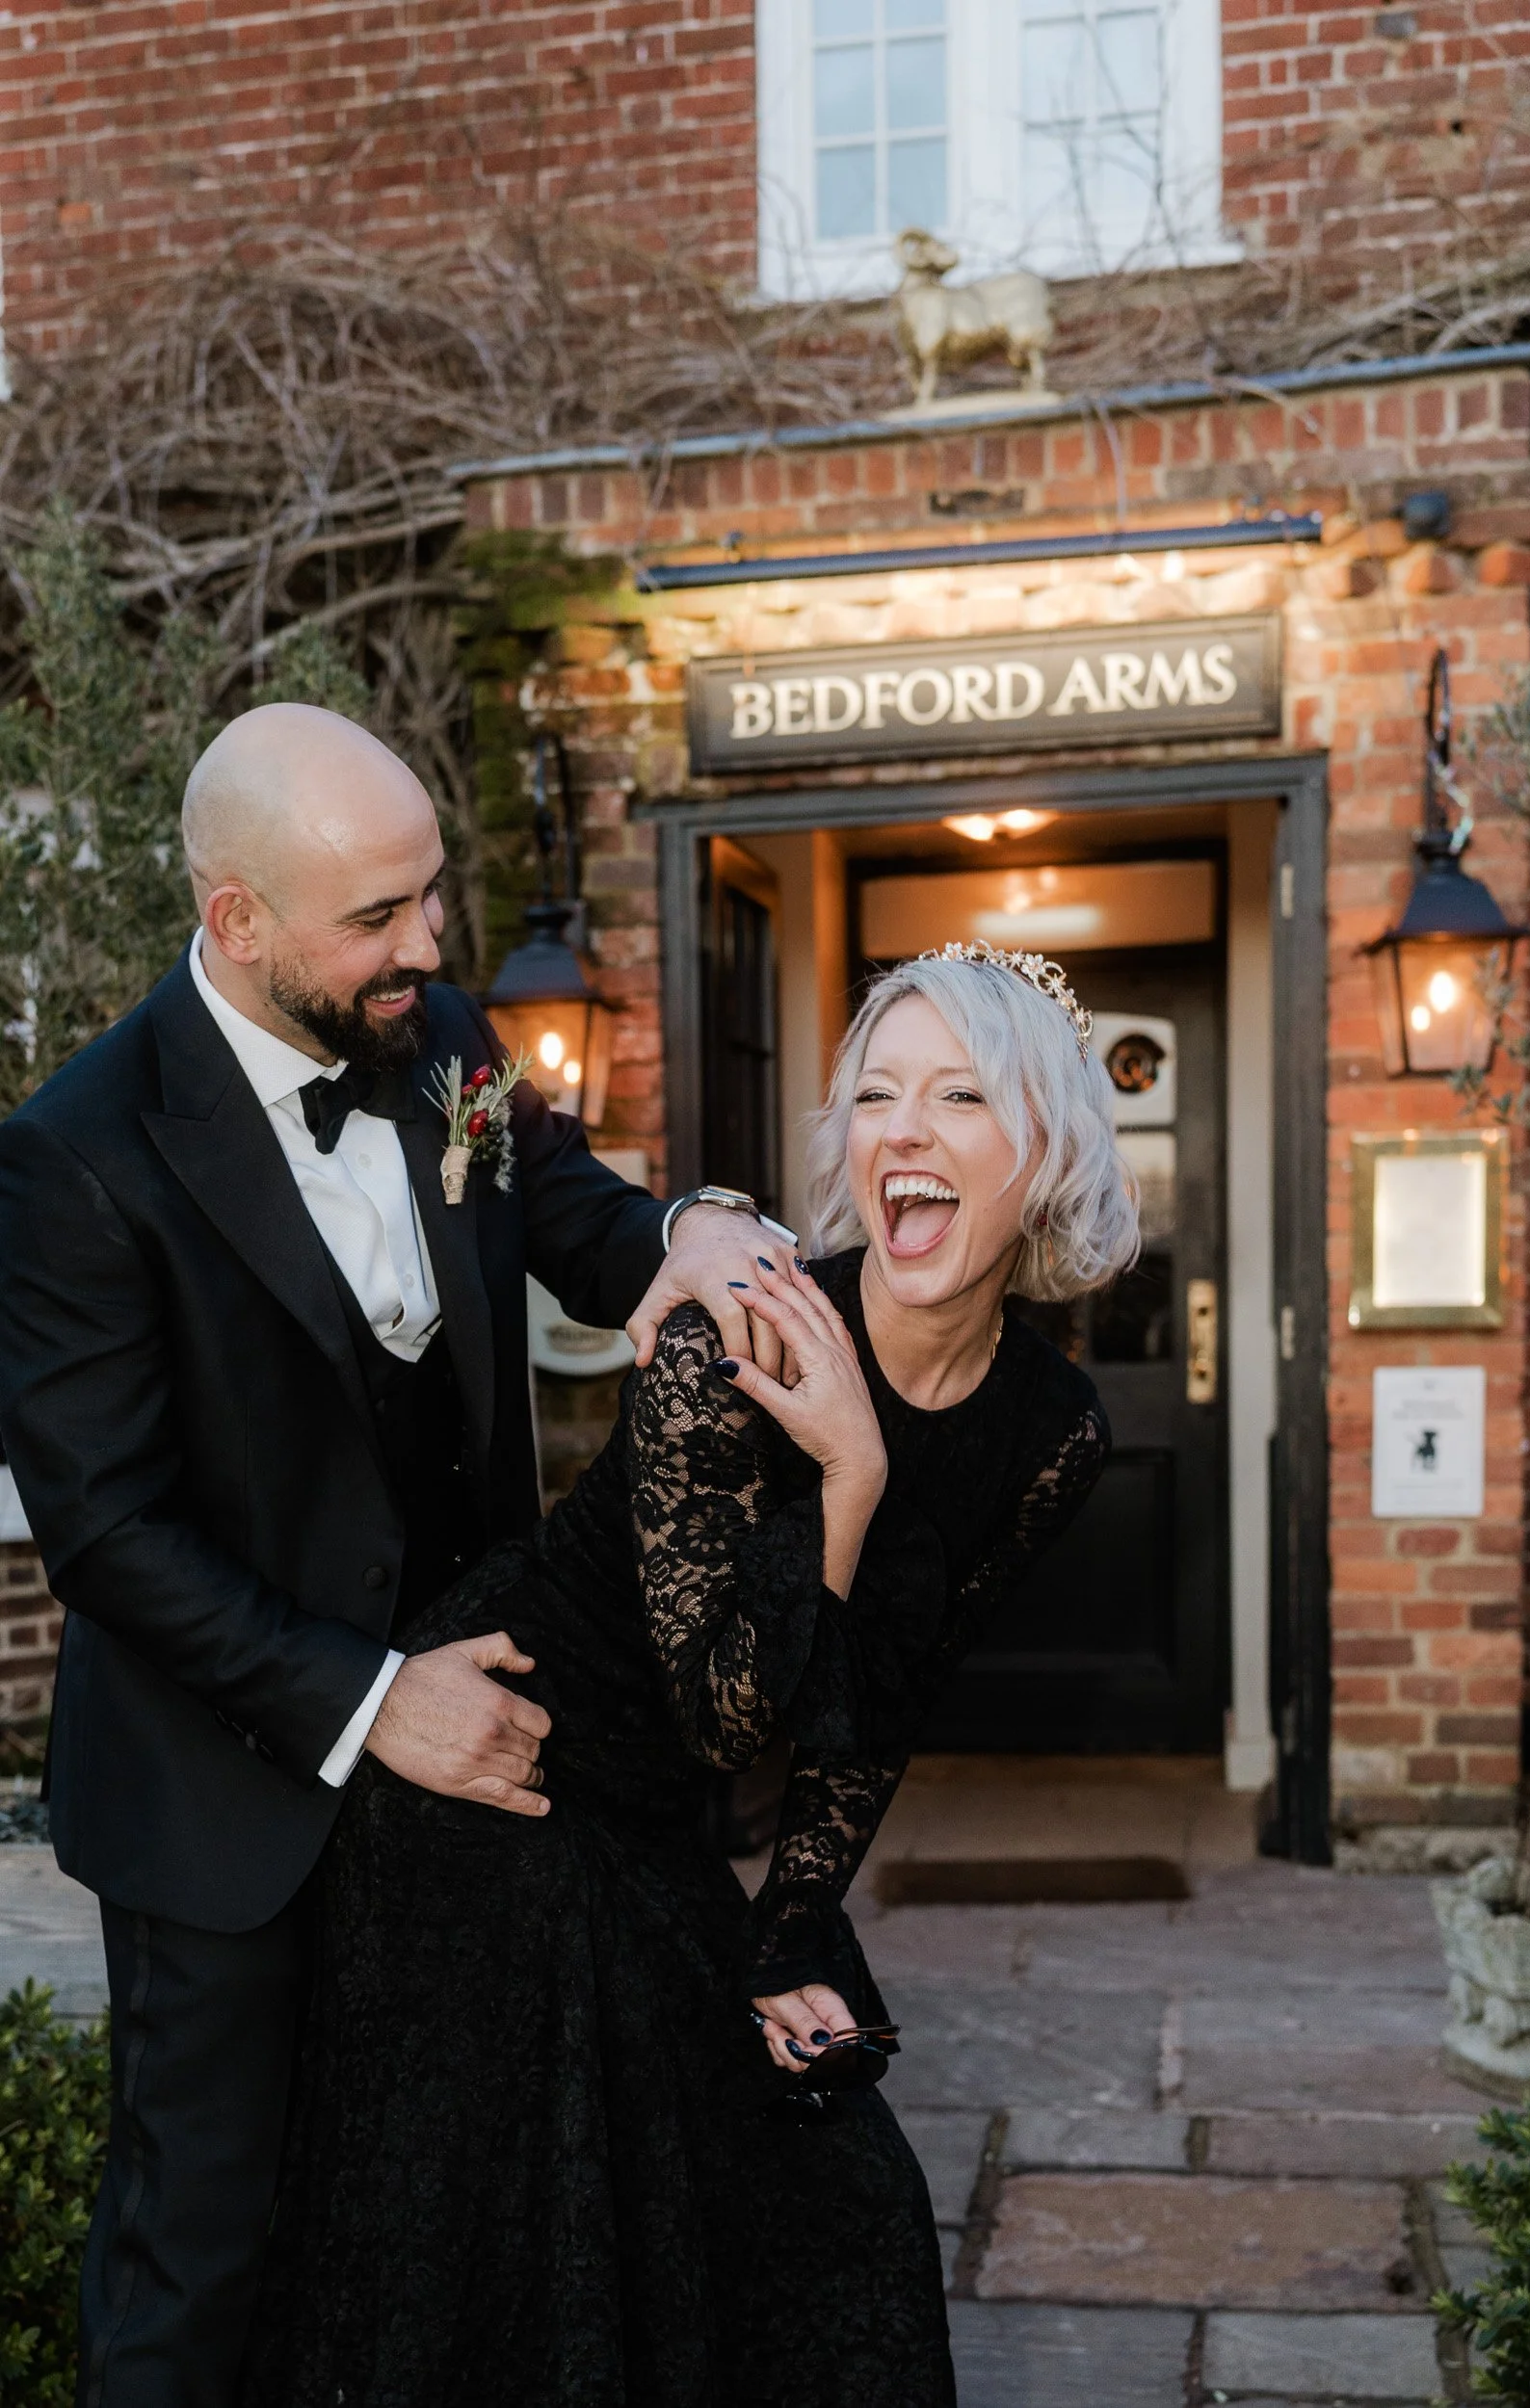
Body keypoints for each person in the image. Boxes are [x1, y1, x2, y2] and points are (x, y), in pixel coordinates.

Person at [0, 704, 788, 2408]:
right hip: (231, 1807)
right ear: (236, 920)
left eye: (431, 899)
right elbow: (110, 1534)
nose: (429, 948)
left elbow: (574, 1212)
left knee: (447, 2219)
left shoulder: (438, 1039)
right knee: (203, 2261)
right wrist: (373, 1701)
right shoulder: (75, 1156)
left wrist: (685, 1235)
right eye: (380, 916)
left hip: (487, 1753)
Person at [243, 937, 1140, 2408]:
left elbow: (880, 1696)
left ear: (1042, 1148)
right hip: (491, 1772)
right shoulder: (734, 1340)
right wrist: (847, 1471)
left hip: (647, 1812)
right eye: (876, 1095)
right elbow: (729, 1714)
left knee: (834, 2190)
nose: (901, 1130)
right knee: (569, 2223)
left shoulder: (1053, 1426)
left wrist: (792, 1930)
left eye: (961, 1096)